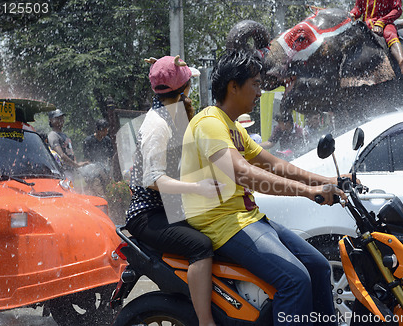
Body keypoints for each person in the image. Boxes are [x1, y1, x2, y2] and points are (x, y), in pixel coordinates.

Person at [181, 50, 348, 326]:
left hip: (246, 218)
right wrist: (309, 192)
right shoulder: (210, 123)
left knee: (318, 266)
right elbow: (246, 174)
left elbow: (274, 164)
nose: (259, 92)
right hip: (221, 223)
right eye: (255, 84)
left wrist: (329, 181)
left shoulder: (234, 128)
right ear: (233, 86)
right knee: (294, 279)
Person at [125, 55, 218, 326]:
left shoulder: (174, 113)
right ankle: (205, 320)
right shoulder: (157, 124)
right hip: (148, 214)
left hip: (169, 205)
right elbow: (155, 179)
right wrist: (199, 188)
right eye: (189, 83)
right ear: (184, 89)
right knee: (201, 246)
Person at [348, 0, 403, 74]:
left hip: (385, 23)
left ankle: (402, 63)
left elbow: (397, 10)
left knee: (390, 34)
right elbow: (358, 8)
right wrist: (352, 14)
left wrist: (381, 22)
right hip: (365, 25)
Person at [47, 109, 87, 180]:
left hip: (70, 170)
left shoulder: (64, 135)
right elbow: (61, 155)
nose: (61, 120)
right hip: (63, 171)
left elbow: (71, 152)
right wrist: (76, 165)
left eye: (62, 117)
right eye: (58, 118)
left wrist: (75, 163)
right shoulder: (53, 135)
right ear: (51, 120)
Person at [82, 118, 115, 196]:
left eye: (107, 130)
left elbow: (111, 157)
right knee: (99, 194)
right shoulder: (88, 141)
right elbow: (87, 160)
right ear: (97, 130)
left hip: (105, 171)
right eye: (104, 130)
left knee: (109, 193)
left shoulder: (107, 140)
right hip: (94, 174)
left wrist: (110, 172)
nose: (106, 132)